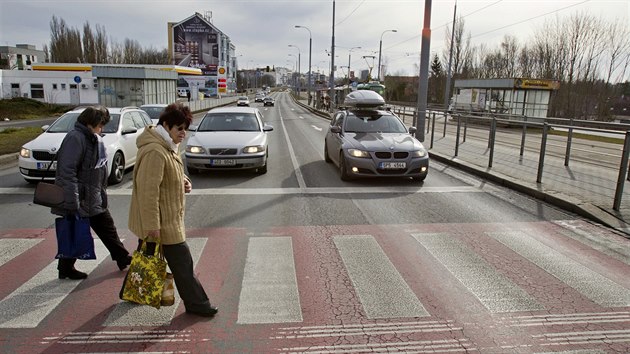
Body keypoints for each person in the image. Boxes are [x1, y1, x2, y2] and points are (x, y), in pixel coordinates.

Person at [128, 102, 218, 317]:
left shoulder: (166, 146)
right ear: (166, 126)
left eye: (185, 129)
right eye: (179, 129)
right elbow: (149, 191)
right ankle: (198, 304)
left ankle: (135, 293)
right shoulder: (155, 152)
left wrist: (183, 181)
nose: (183, 134)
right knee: (183, 266)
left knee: (147, 259)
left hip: (165, 220)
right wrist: (152, 225)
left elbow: (167, 176)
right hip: (163, 224)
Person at [53, 106, 132, 280]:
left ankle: (122, 257)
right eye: (100, 125)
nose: (101, 128)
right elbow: (67, 171)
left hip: (92, 195)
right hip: (80, 197)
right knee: (75, 232)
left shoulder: (91, 138)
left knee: (106, 228)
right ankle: (65, 267)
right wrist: (72, 200)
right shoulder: (76, 138)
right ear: (91, 123)